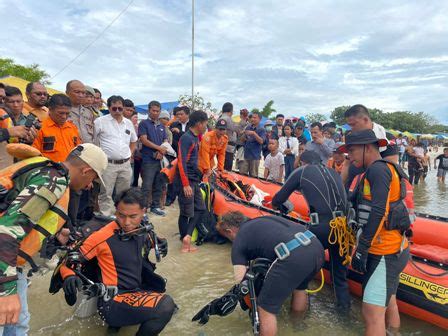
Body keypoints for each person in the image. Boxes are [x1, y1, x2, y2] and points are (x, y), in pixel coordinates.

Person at [0, 143, 107, 336]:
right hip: (4, 261)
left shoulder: (46, 169)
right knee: (9, 321)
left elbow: (19, 213)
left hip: (9, 260)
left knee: (18, 324)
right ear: (86, 170)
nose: (90, 185)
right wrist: (6, 291)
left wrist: (58, 233)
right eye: (93, 179)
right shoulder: (53, 181)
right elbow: (6, 233)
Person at [59, 188, 175, 336]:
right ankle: (116, 323)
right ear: (116, 211)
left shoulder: (143, 229)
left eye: (133, 216)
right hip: (113, 301)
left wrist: (160, 243)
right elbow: (67, 261)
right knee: (165, 306)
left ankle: (117, 327)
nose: (126, 222)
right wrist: (68, 276)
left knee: (172, 307)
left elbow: (148, 242)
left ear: (143, 212)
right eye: (121, 215)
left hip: (135, 291)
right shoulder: (101, 237)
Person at [340, 130, 410, 336]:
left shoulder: (377, 170)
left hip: (385, 253)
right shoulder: (375, 170)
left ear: (367, 147)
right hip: (394, 249)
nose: (349, 156)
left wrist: (362, 248)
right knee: (389, 303)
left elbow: (379, 211)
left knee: (371, 313)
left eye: (352, 150)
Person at [214, 212, 324, 336]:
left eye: (227, 237)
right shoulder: (262, 221)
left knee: (265, 307)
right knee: (300, 287)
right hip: (316, 248)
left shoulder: (239, 240)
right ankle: (297, 326)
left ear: (229, 231)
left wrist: (253, 307)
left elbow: (243, 286)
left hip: (293, 255)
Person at [272, 150, 352, 310]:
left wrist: (282, 207)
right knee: (340, 279)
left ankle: (299, 315)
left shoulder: (301, 172)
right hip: (343, 228)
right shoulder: (333, 172)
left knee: (302, 272)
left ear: (302, 162)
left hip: (321, 229)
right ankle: (344, 314)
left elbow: (277, 199)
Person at [95, 95, 137, 217]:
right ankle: (105, 217)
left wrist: (130, 155)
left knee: (124, 193)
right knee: (105, 193)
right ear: (108, 108)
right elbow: (93, 141)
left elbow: (134, 140)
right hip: (108, 164)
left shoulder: (128, 123)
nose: (117, 111)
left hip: (125, 164)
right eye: (114, 108)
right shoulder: (100, 122)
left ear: (123, 108)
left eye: (120, 108)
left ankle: (121, 215)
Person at [176, 110, 208, 253]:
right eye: (205, 124)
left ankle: (187, 237)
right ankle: (184, 242)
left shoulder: (196, 137)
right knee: (185, 213)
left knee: (200, 209)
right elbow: (181, 162)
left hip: (194, 179)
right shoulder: (186, 138)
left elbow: (195, 160)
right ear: (199, 123)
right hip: (186, 181)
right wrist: (185, 184)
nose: (206, 126)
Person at [32, 94, 81, 163]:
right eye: (60, 113)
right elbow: (34, 154)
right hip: (50, 171)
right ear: (50, 109)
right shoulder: (40, 128)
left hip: (71, 170)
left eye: (67, 114)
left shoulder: (72, 128)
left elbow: (78, 150)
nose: (64, 117)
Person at [138, 100, 167, 216]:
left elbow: (165, 141)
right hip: (148, 160)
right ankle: (143, 209)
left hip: (159, 160)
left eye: (157, 111)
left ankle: (155, 206)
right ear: (149, 110)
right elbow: (144, 140)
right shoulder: (144, 124)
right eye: (153, 110)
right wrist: (159, 148)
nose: (155, 113)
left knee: (158, 184)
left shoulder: (161, 126)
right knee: (146, 186)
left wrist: (162, 150)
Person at [66, 80, 96, 144]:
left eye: (83, 93)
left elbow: (94, 135)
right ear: (67, 93)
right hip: (71, 151)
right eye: (77, 92)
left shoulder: (89, 112)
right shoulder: (62, 112)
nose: (81, 95)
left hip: (88, 150)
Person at [240, 111, 266, 177]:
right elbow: (242, 140)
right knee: (242, 174)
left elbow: (261, 141)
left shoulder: (262, 129)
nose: (252, 119)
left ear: (260, 119)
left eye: (255, 118)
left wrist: (254, 133)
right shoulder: (248, 127)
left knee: (253, 176)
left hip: (255, 157)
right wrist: (243, 134)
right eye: (252, 117)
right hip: (246, 155)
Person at [219, 102, 238, 171]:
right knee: (226, 170)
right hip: (227, 147)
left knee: (222, 167)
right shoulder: (227, 118)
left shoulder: (220, 117)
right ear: (231, 110)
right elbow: (237, 129)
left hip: (223, 146)